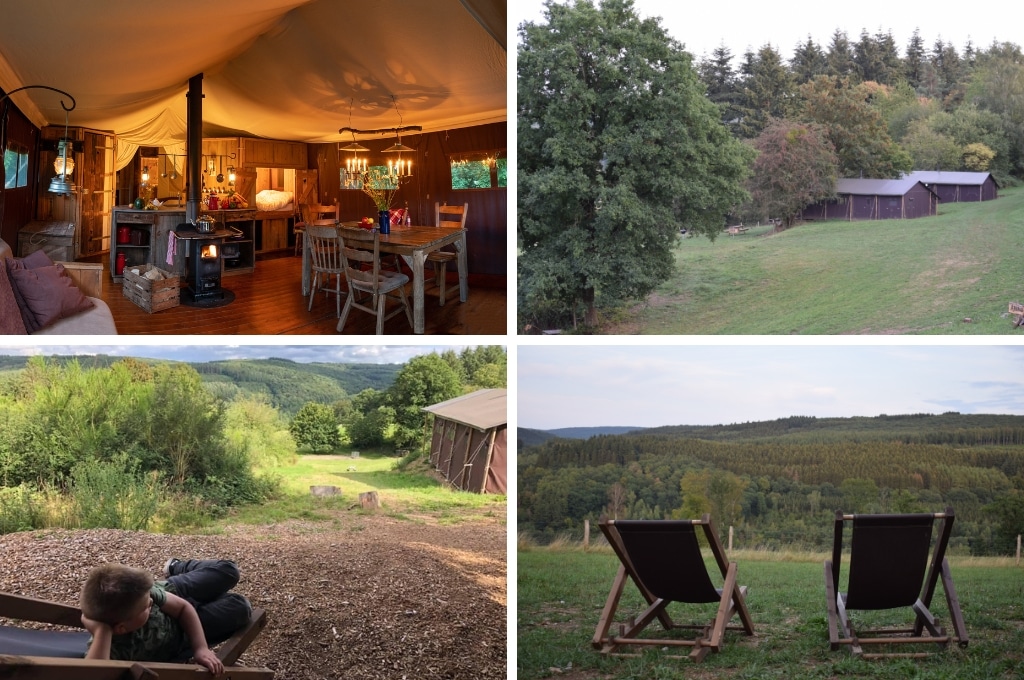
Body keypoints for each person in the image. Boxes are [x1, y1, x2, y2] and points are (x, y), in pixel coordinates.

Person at [79, 558, 253, 675]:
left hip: (174, 591)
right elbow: (92, 674)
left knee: (228, 570)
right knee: (241, 606)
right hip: (181, 634)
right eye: (147, 607)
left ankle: (175, 566)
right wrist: (102, 630)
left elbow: (183, 608)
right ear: (120, 628)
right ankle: (210, 598)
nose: (151, 603)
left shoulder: (148, 595)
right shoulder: (112, 648)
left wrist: (201, 647)